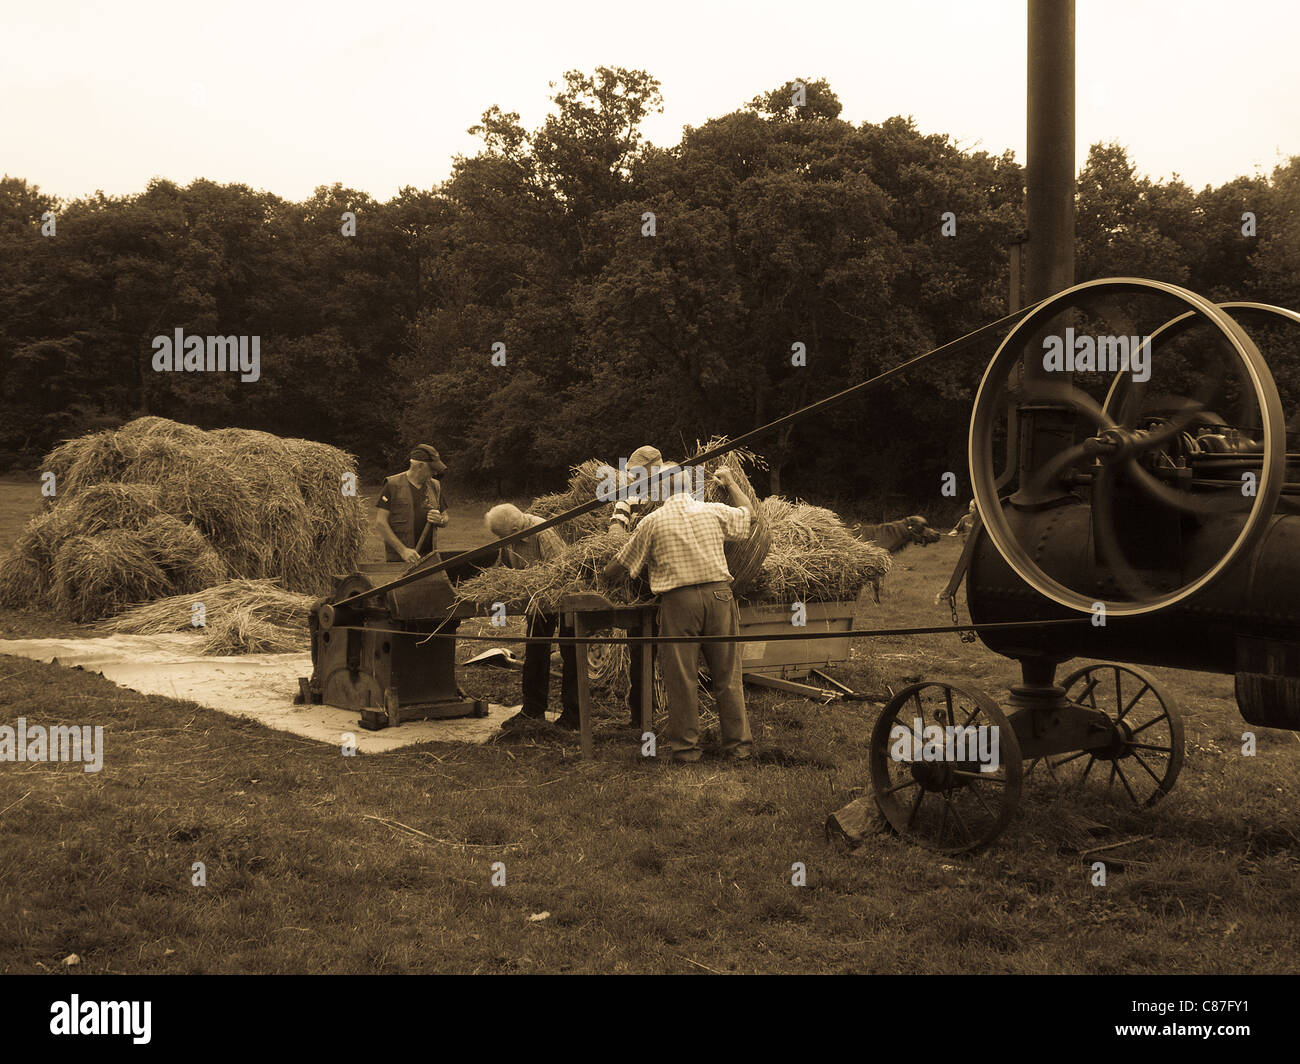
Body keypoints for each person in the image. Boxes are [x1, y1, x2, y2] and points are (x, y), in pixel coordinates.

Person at [601, 465, 754, 763]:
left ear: (658, 491)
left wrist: (601, 574)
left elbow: (622, 564)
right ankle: (739, 748)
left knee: (682, 678)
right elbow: (750, 516)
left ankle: (687, 751)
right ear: (691, 488)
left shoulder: (652, 522)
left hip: (679, 603)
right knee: (728, 676)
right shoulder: (713, 510)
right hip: (720, 596)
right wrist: (732, 483)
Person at [485, 503, 580, 730]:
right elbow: (505, 566)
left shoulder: (542, 532)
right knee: (535, 651)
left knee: (571, 653)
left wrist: (535, 582)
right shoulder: (509, 537)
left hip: (564, 598)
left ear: (517, 529)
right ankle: (532, 710)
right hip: (538, 602)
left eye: (503, 536)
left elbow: (563, 570)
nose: (502, 541)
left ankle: (573, 716)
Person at [607, 445, 662, 730]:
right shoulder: (629, 497)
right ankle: (641, 715)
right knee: (640, 650)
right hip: (640, 585)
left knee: (674, 651)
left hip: (670, 580)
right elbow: (616, 528)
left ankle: (672, 712)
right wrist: (621, 536)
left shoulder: (674, 494)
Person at [375, 444, 449, 563]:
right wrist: (403, 551)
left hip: (428, 558)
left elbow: (445, 518)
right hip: (399, 560)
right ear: (420, 466)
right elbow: (380, 523)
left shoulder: (435, 486)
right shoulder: (392, 485)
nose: (435, 473)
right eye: (432, 469)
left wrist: (440, 520)